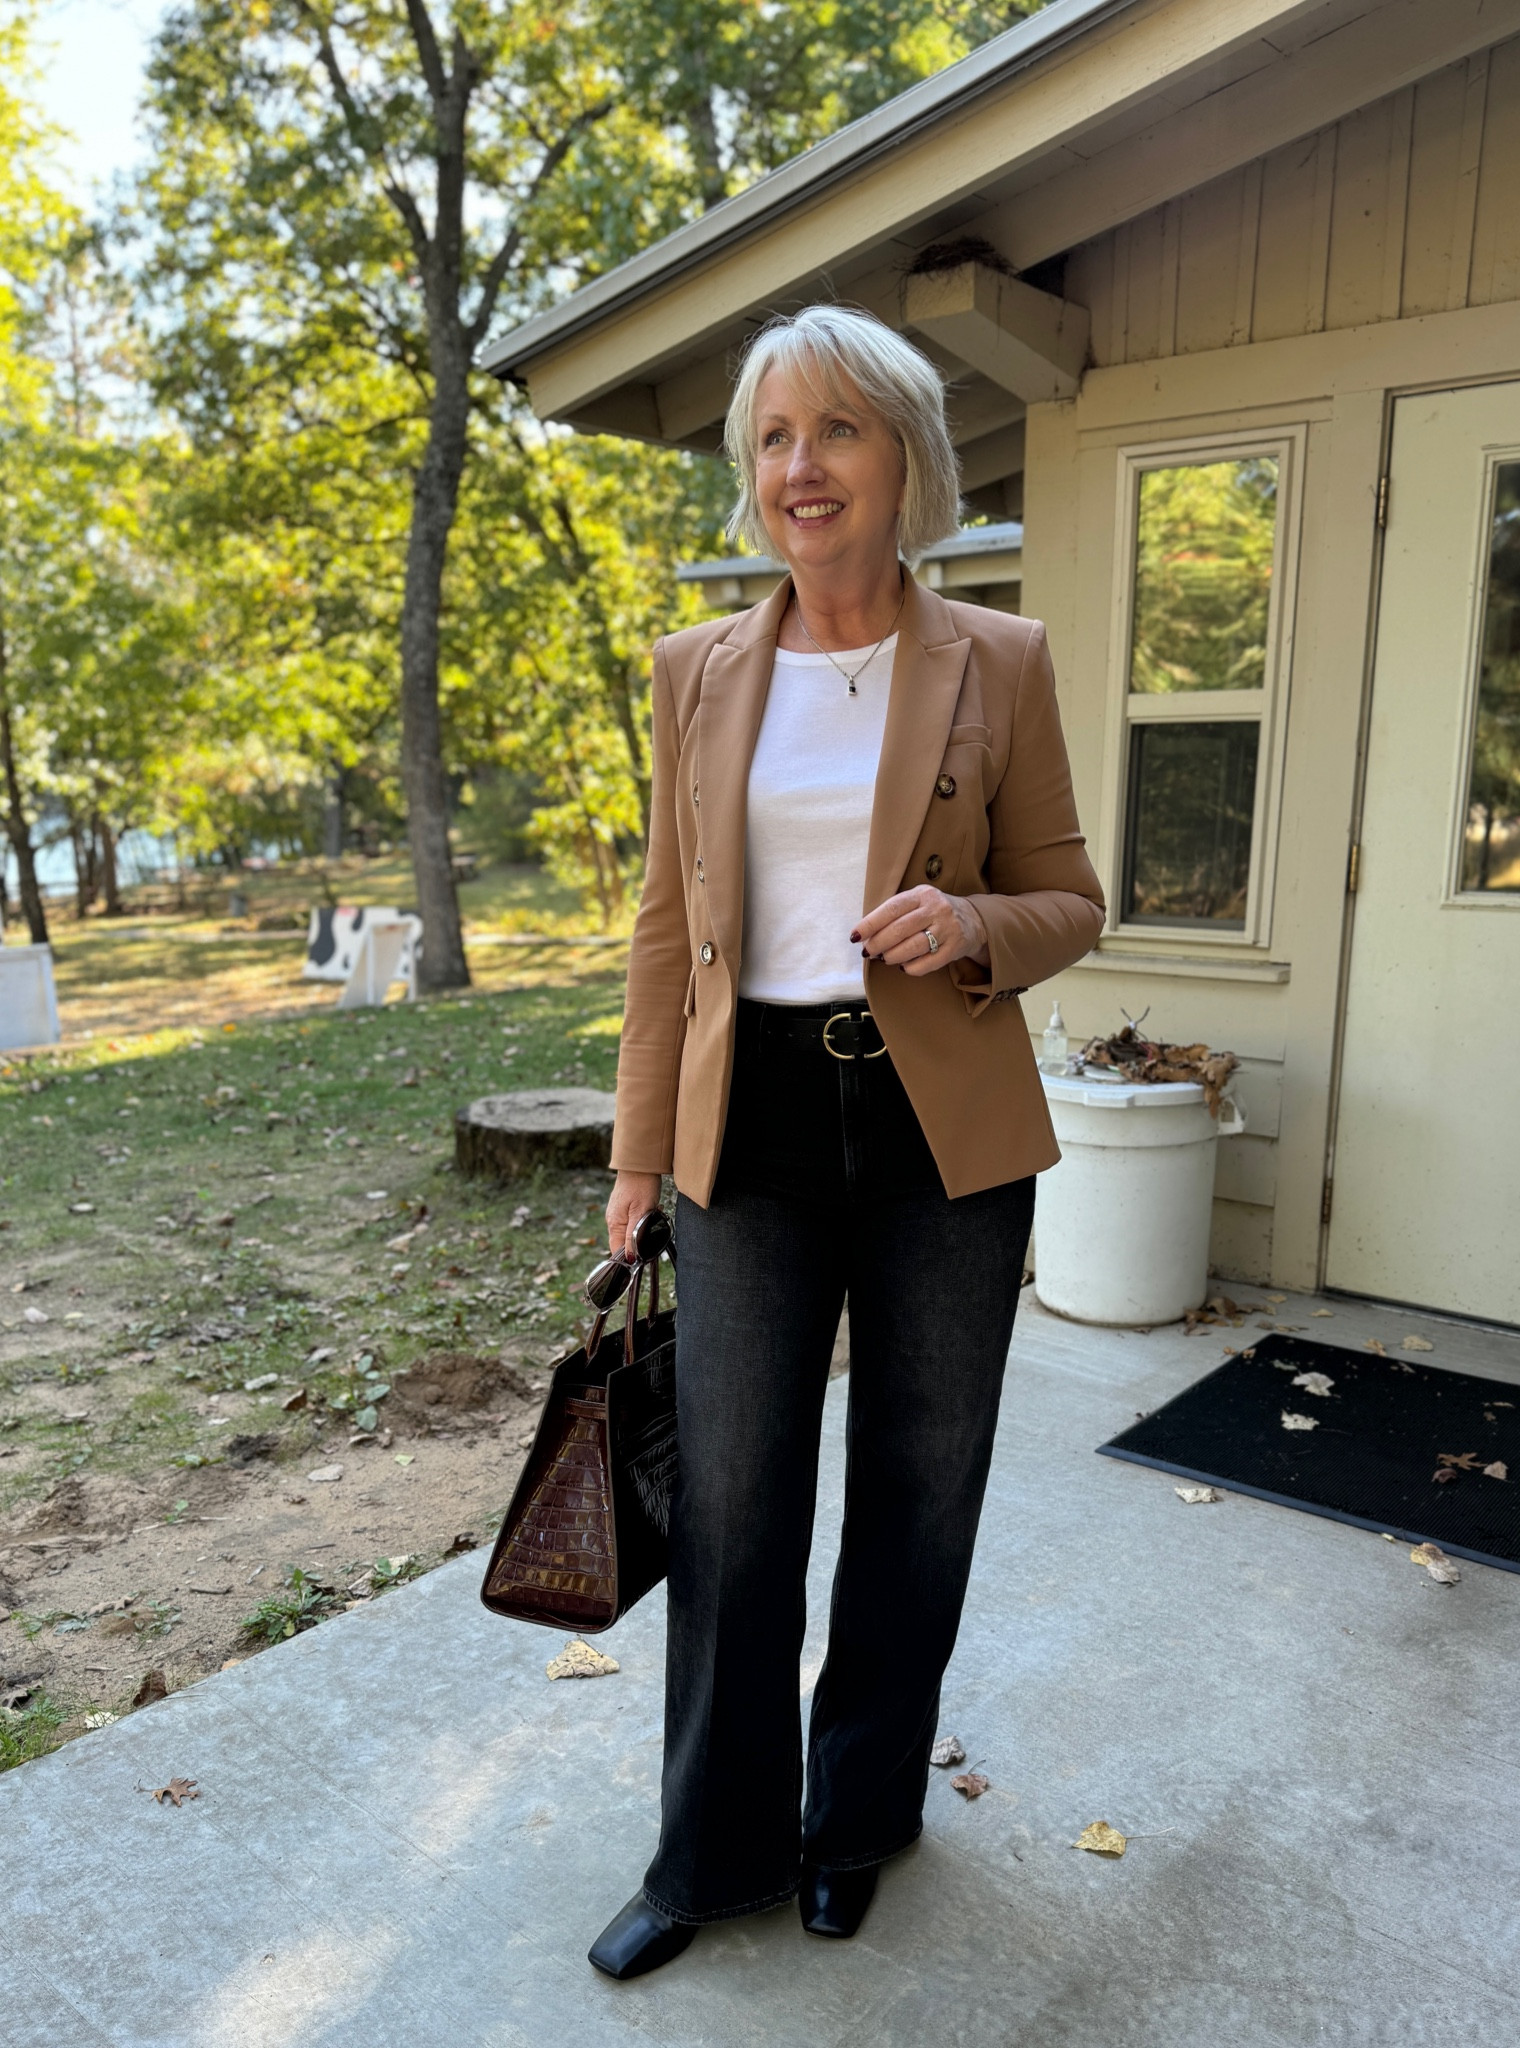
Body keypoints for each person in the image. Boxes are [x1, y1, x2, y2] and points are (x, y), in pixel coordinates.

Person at [587, 304, 1105, 1980]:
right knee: (734, 1507)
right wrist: (634, 1157)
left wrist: (971, 927)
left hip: (945, 1128)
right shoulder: (697, 672)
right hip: (753, 1125)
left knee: (916, 1491)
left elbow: (1074, 901)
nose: (799, 468)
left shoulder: (999, 659)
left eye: (836, 432)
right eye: (771, 439)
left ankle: (857, 1818)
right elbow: (667, 932)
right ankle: (708, 1849)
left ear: (906, 458)